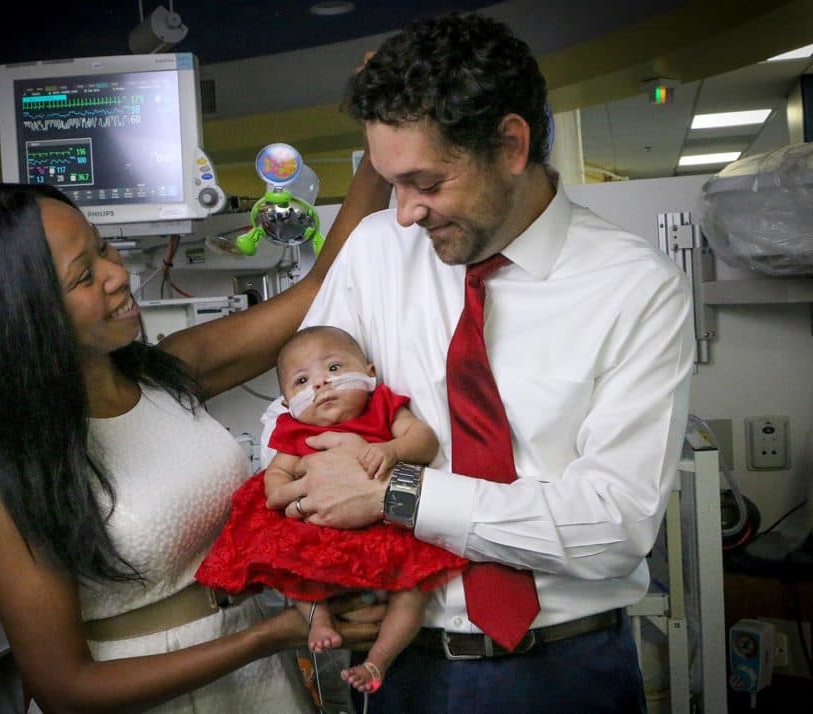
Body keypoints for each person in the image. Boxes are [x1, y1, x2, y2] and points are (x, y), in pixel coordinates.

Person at [264, 11, 695, 714]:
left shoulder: (637, 289)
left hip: (568, 667)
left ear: (511, 145)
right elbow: (290, 405)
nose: (404, 212)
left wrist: (398, 493)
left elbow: (614, 525)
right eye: (388, 182)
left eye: (425, 182)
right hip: (404, 664)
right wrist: (299, 477)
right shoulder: (376, 252)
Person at [0, 153, 391, 714]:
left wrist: (376, 160)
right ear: (19, 318)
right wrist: (269, 634)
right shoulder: (12, 476)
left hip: (258, 672)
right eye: (84, 276)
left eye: (102, 247)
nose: (118, 274)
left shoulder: (167, 375)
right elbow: (65, 687)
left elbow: (319, 289)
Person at [195, 325, 467, 694]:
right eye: (302, 380)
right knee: (293, 568)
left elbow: (425, 441)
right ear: (288, 401)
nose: (320, 384)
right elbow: (277, 475)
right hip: (320, 531)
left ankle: (378, 660)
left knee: (413, 589)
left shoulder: (383, 406)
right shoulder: (292, 430)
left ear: (370, 374)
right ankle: (317, 619)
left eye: (334, 369)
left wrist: (392, 450)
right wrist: (285, 495)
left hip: (388, 528)